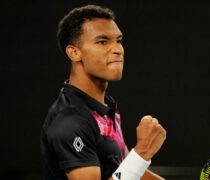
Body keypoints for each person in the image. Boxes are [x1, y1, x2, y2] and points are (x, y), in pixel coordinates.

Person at [40, 4, 167, 180]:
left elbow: (126, 169)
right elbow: (133, 166)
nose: (117, 49)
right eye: (102, 41)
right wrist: (142, 153)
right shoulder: (70, 121)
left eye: (119, 40)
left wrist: (137, 158)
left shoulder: (103, 106)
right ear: (75, 53)